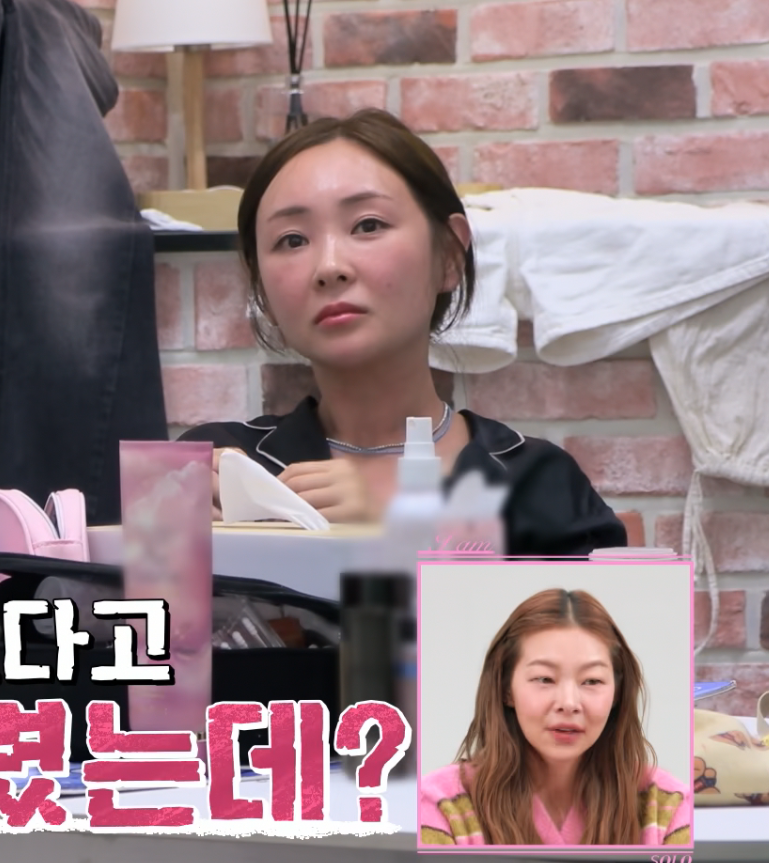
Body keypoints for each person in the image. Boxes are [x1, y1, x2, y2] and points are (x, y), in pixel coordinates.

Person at [180, 109, 627, 558]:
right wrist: (161, 528)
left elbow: (592, 607)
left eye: (368, 225)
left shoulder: (537, 485)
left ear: (448, 255)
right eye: (292, 240)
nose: (329, 267)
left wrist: (396, 537)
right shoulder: (220, 465)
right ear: (261, 288)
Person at [419, 588, 692, 845]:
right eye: (544, 679)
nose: (568, 703)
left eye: (592, 681)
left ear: (617, 694)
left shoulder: (666, 806)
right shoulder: (443, 804)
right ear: (506, 689)